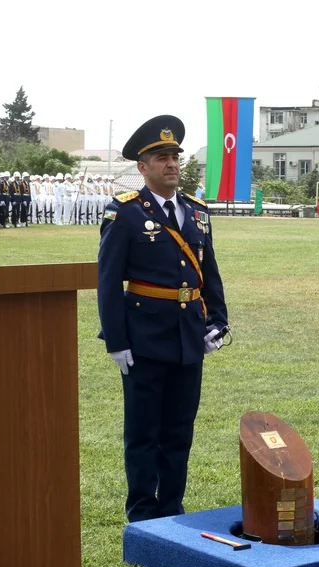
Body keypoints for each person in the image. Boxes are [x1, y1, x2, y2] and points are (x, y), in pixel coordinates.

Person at [97, 115, 229, 522]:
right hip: (144, 340)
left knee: (178, 431)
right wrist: (116, 341)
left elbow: (210, 272)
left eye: (174, 156)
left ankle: (172, 508)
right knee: (143, 433)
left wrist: (218, 322)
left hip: (188, 338)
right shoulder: (126, 213)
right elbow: (107, 280)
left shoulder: (196, 211)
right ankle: (141, 511)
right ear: (142, 167)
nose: (171, 164)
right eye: (160, 157)